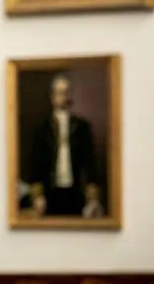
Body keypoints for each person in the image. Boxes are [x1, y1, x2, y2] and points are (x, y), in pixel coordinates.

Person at [26, 75, 103, 217]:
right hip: (50, 194)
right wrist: (37, 196)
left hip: (76, 193)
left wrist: (92, 198)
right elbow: (35, 165)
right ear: (52, 96)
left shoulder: (81, 127)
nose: (64, 97)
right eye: (60, 93)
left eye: (66, 92)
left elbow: (90, 163)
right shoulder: (41, 128)